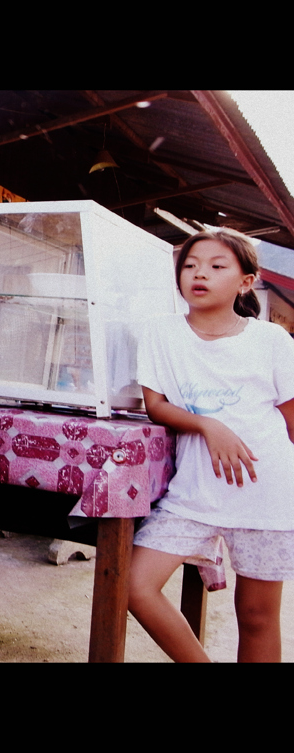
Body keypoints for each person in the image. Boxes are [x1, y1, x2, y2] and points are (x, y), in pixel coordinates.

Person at [129, 228, 294, 662]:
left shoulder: (272, 340)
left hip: (266, 492)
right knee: (135, 587)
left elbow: (293, 421)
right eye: (190, 265)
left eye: (217, 266)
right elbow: (156, 406)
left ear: (246, 281)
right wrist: (208, 426)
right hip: (194, 494)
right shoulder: (161, 334)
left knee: (257, 617)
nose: (199, 274)